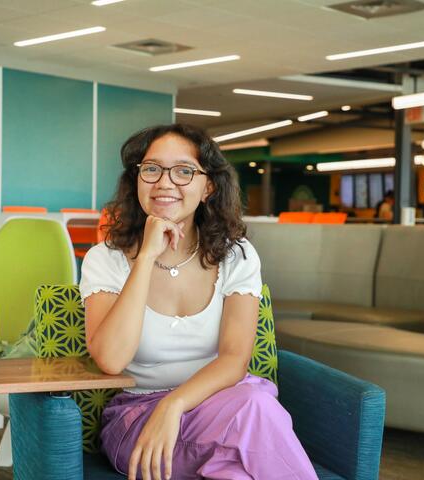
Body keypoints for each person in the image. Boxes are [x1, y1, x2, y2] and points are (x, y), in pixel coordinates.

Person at [80, 124, 318, 480]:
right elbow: (112, 360)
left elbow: (235, 360)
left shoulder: (236, 256)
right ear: (136, 180)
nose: (164, 182)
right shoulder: (106, 259)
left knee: (239, 455)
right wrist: (145, 257)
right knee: (254, 409)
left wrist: (174, 405)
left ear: (208, 187)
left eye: (184, 171)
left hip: (221, 405)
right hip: (138, 420)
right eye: (151, 168)